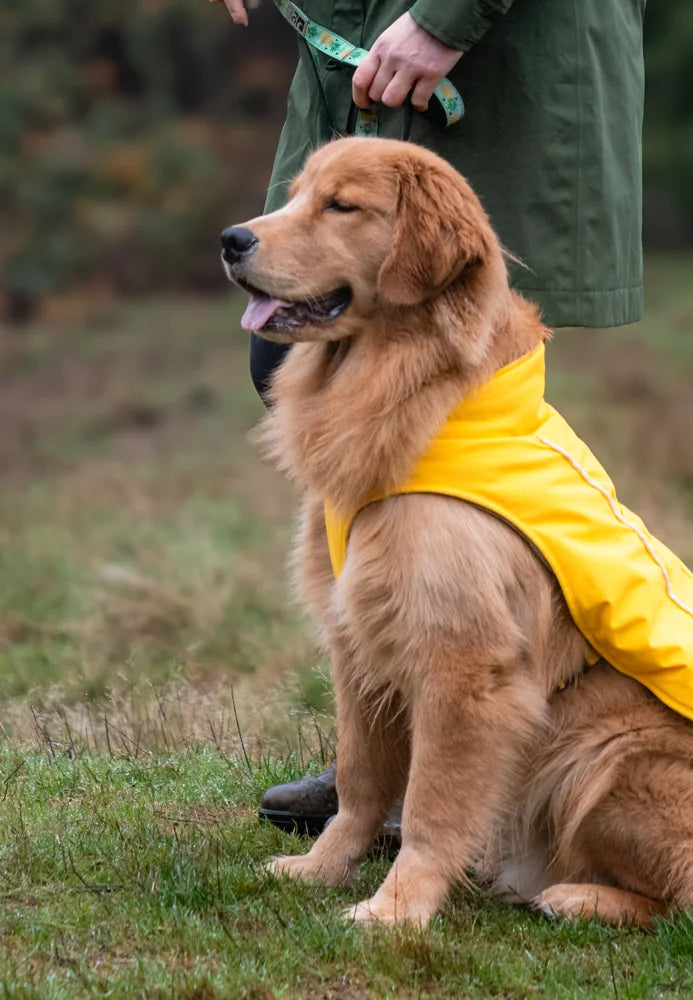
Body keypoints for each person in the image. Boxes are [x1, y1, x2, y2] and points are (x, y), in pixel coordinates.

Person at [215, 0, 645, 834]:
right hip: (368, 42)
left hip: (484, 45)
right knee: (290, 352)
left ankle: (472, 750)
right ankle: (395, 757)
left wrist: (447, 18)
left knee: (464, 351)